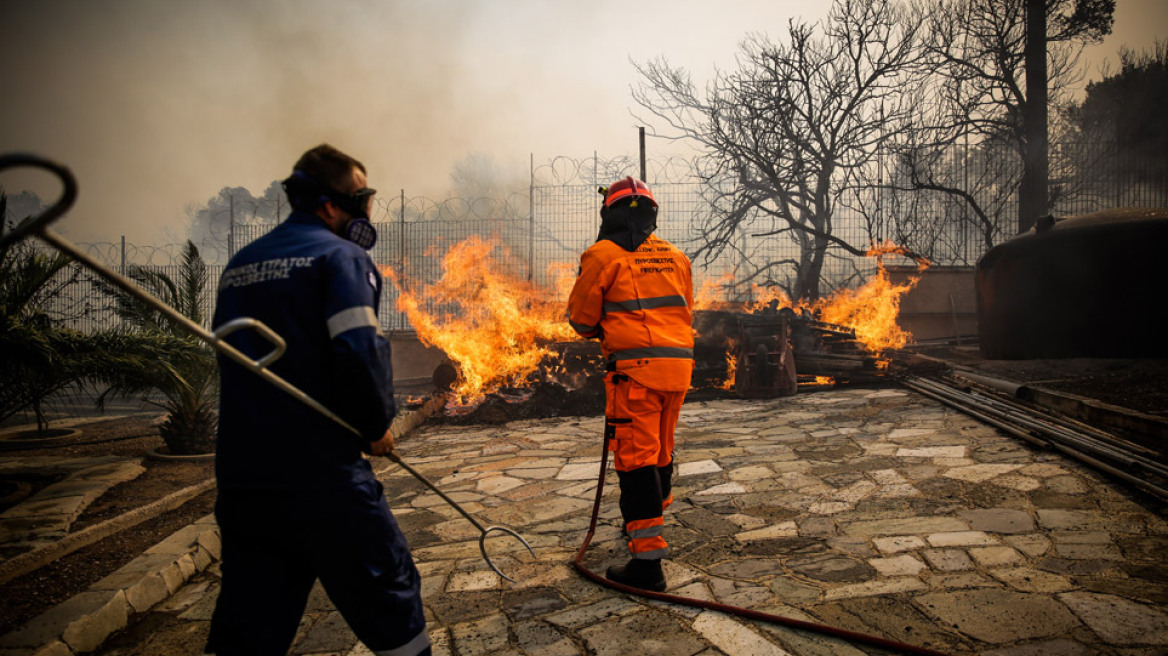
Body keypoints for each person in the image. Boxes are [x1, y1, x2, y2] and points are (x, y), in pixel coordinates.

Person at [206, 144, 429, 656]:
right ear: (331, 204)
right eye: (363, 196)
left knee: (250, 622)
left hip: (244, 480)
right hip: (321, 477)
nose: (368, 208)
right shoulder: (341, 257)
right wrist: (375, 426)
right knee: (390, 599)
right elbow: (358, 352)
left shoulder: (241, 265)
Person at [567, 176, 694, 592]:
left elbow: (582, 321)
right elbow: (684, 311)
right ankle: (645, 527)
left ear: (611, 214)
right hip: (677, 370)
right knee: (660, 452)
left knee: (636, 461)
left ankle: (647, 563)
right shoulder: (676, 256)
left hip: (636, 373)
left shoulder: (603, 255)